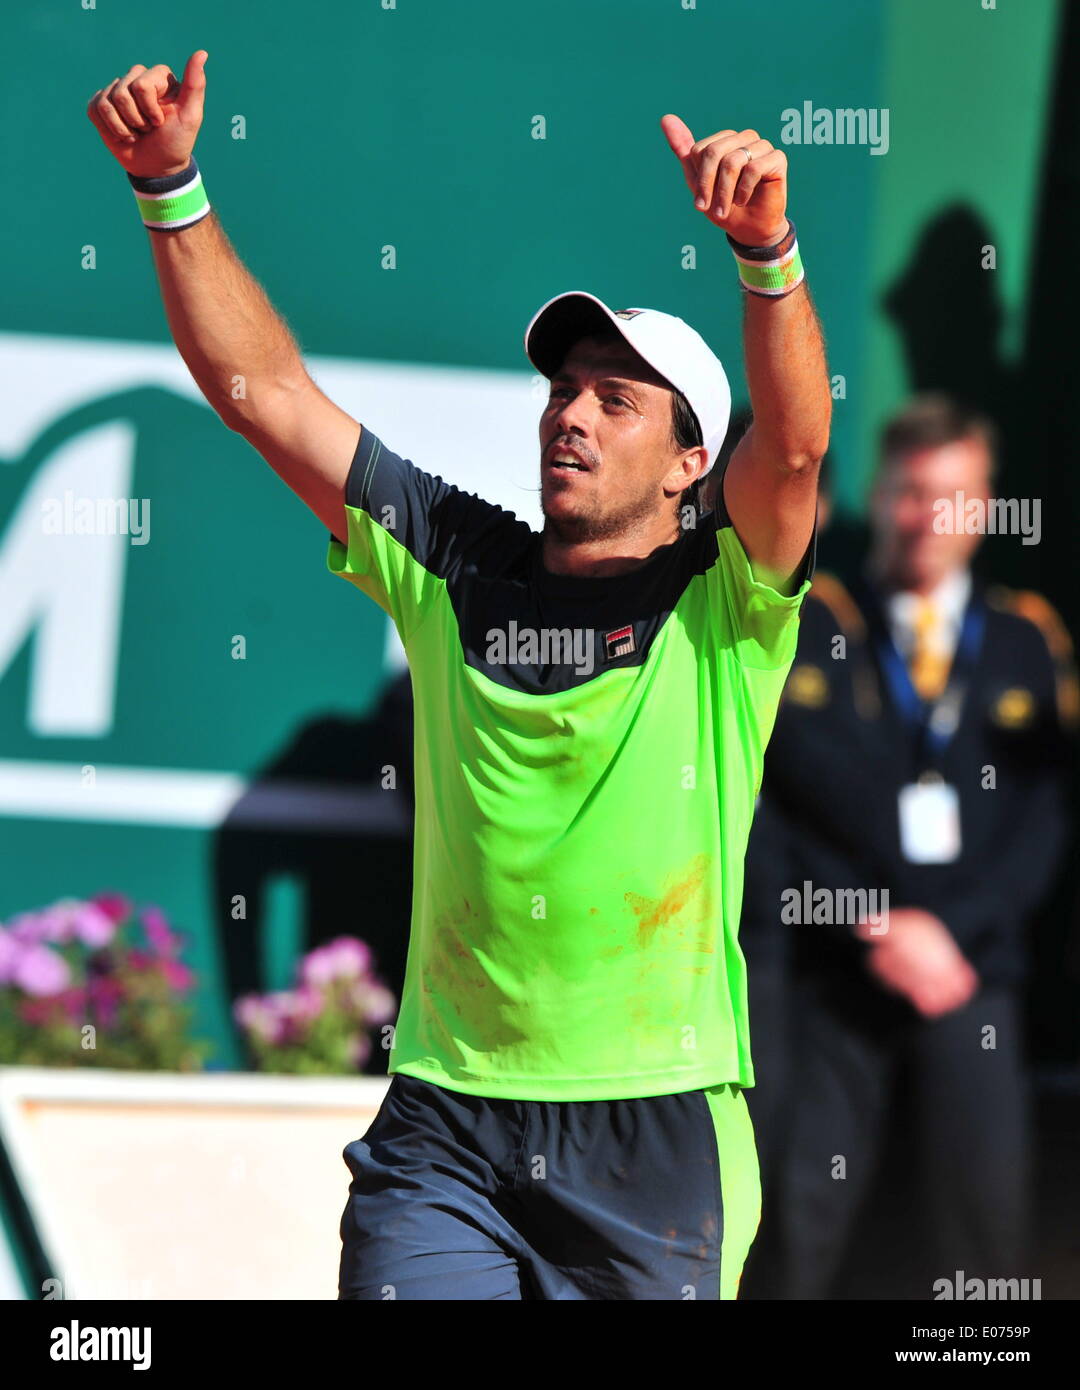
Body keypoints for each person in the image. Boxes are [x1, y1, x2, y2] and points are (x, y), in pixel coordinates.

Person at [87, 52, 831, 1300]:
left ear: (691, 460)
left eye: (615, 400)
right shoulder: (447, 558)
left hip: (658, 1143)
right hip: (445, 1129)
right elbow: (263, 394)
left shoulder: (729, 594)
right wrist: (169, 184)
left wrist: (769, 252)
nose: (571, 417)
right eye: (561, 391)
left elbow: (799, 444)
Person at [747, 394, 1076, 1298]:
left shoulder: (1025, 641)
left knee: (981, 1236)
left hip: (969, 978)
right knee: (792, 1227)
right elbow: (771, 805)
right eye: (911, 492)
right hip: (834, 976)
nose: (930, 519)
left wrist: (949, 934)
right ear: (879, 493)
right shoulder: (809, 622)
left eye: (956, 497)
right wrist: (876, 924)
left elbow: (1043, 824)